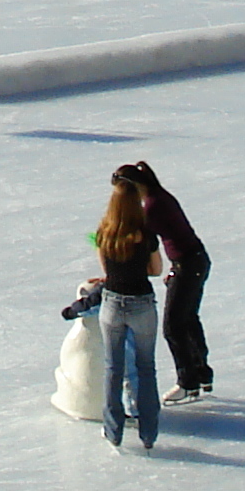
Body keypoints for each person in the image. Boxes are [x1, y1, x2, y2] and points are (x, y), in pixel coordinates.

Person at [80, 165, 164, 450]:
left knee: (113, 368)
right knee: (146, 367)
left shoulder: (104, 233)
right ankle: (149, 433)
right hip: (141, 304)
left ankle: (113, 430)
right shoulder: (146, 234)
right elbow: (156, 269)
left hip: (112, 304)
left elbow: (106, 270)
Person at [124, 159, 211, 403]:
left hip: (188, 266)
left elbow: (144, 241)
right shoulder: (158, 196)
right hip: (193, 262)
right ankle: (201, 374)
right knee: (188, 320)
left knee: (173, 326)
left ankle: (188, 381)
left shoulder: (153, 206)